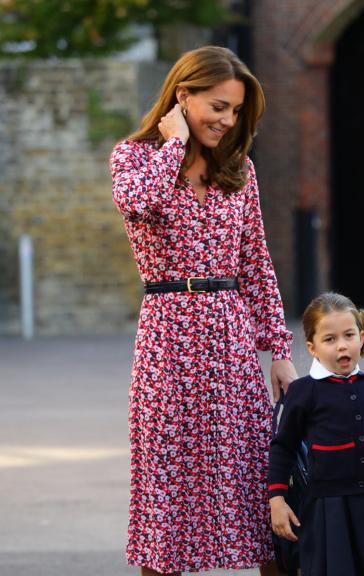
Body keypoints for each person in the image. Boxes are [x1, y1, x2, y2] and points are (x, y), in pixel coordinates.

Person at [110, 46, 297, 575]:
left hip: (230, 339)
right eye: (218, 106)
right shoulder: (134, 157)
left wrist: (279, 350)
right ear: (182, 96)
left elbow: (256, 263)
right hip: (167, 339)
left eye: (235, 111)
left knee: (258, 485)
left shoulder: (239, 170)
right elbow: (137, 203)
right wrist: (173, 144)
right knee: (165, 489)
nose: (228, 120)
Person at [268, 293, 364, 576]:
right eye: (329, 339)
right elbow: (283, 447)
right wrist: (276, 500)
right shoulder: (304, 391)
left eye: (349, 335)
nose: (342, 345)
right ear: (312, 347)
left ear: (361, 338)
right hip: (328, 511)